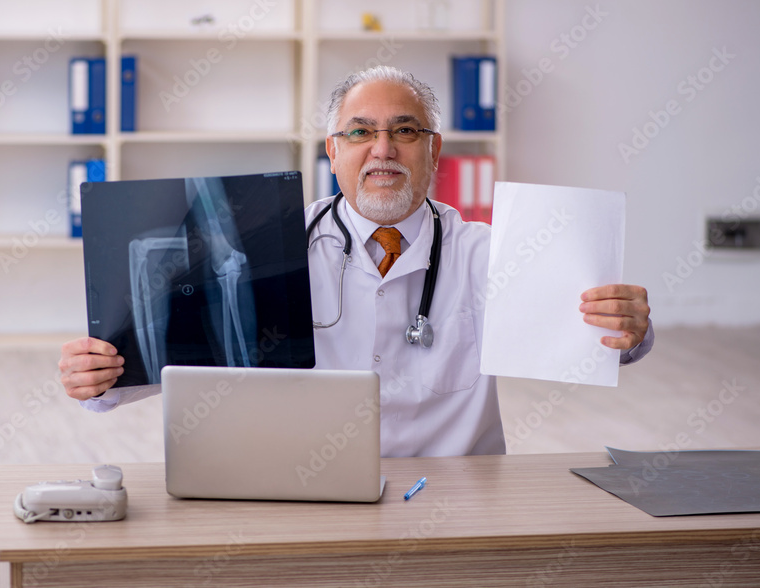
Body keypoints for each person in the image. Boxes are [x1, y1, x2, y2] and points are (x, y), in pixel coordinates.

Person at [59, 66, 653, 457]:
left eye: (405, 131)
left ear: (434, 149)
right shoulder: (269, 245)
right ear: (333, 150)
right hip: (310, 494)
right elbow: (167, 360)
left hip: (459, 503)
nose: (384, 149)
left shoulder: (488, 253)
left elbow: (600, 341)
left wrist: (628, 328)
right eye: (361, 131)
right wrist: (99, 379)